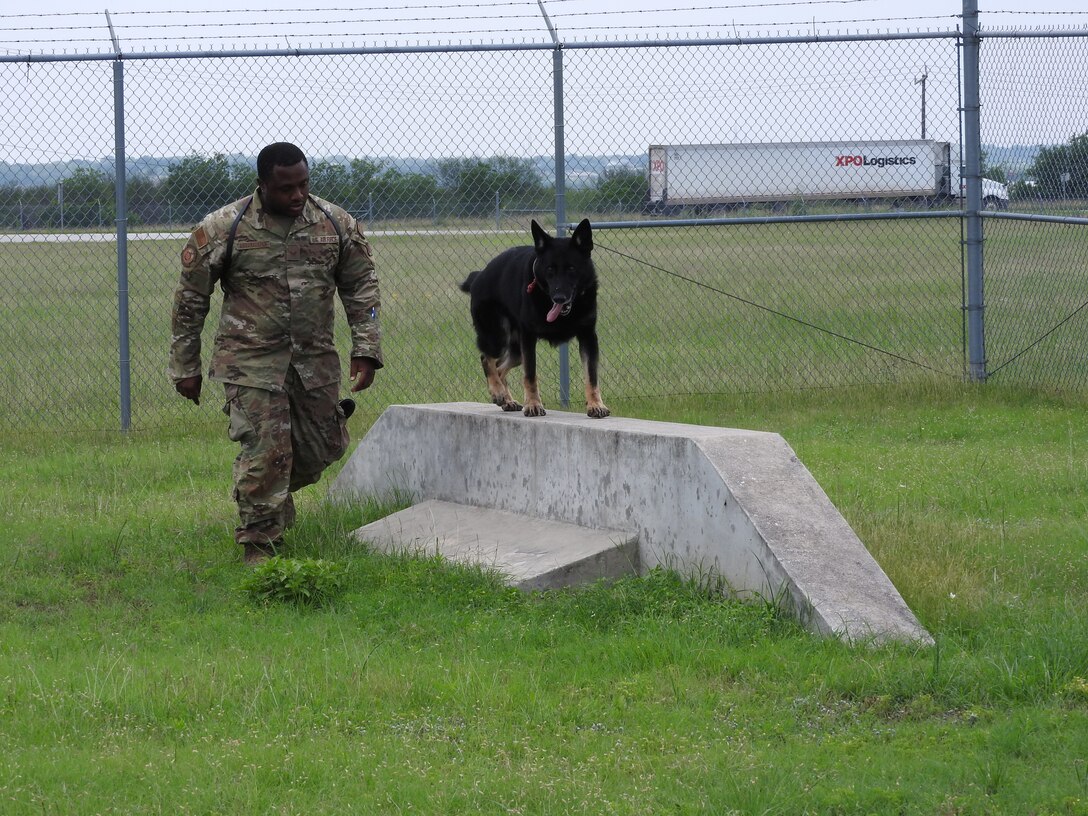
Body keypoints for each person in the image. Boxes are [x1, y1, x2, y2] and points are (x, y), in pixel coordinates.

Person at [169, 142, 383, 565]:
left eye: (304, 184)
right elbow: (191, 300)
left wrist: (367, 348)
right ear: (263, 184)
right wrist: (185, 366)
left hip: (314, 362)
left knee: (321, 446)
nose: (297, 195)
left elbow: (362, 288)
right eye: (286, 188)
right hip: (249, 362)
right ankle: (261, 547)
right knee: (265, 452)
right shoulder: (223, 228)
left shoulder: (334, 223)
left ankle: (273, 499)